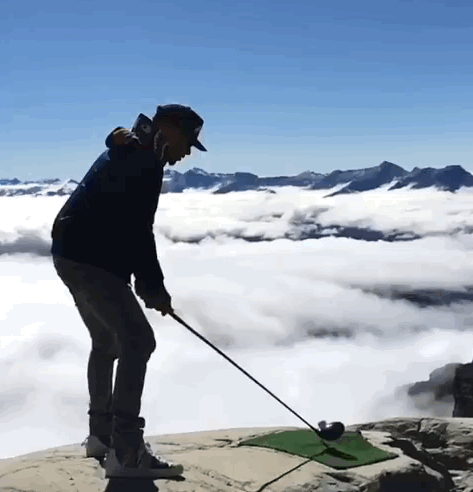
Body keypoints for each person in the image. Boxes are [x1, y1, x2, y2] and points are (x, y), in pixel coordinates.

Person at [51, 104, 207, 479]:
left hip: (69, 255)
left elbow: (126, 222)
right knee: (138, 342)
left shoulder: (131, 146)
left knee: (107, 342)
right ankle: (127, 451)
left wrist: (147, 286)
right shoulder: (144, 160)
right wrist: (153, 288)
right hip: (92, 260)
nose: (187, 152)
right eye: (188, 141)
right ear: (170, 130)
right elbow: (139, 229)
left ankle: (100, 436)